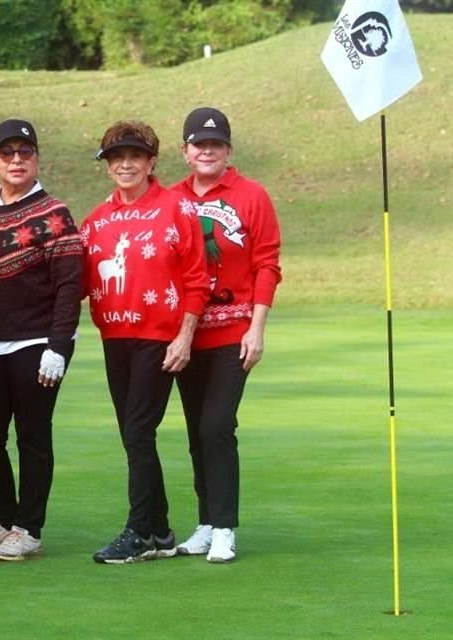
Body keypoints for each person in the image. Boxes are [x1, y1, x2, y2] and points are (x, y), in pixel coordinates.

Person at [80, 120, 210, 564]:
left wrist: (185, 336)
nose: (126, 164)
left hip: (159, 337)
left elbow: (197, 277)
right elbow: (76, 279)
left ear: (152, 161)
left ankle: (137, 531)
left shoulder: (177, 208)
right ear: (107, 165)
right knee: (134, 436)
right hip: (115, 337)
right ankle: (159, 530)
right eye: (117, 157)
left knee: (138, 432)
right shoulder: (96, 221)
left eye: (135, 156)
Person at [0, 119, 83, 561]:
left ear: (36, 159)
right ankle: (2, 518)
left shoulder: (55, 213)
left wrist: (59, 345)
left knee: (33, 437)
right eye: (7, 153)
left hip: (36, 344)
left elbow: (70, 284)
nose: (17, 160)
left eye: (25, 153)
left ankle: (28, 528)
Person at [169, 107, 282, 563]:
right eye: (199, 144)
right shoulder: (171, 198)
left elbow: (267, 264)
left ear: (228, 150)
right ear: (185, 151)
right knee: (198, 431)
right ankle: (205, 521)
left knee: (217, 426)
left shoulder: (251, 195)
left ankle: (225, 527)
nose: (206, 151)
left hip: (234, 331)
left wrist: (257, 328)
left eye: (215, 144)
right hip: (186, 335)